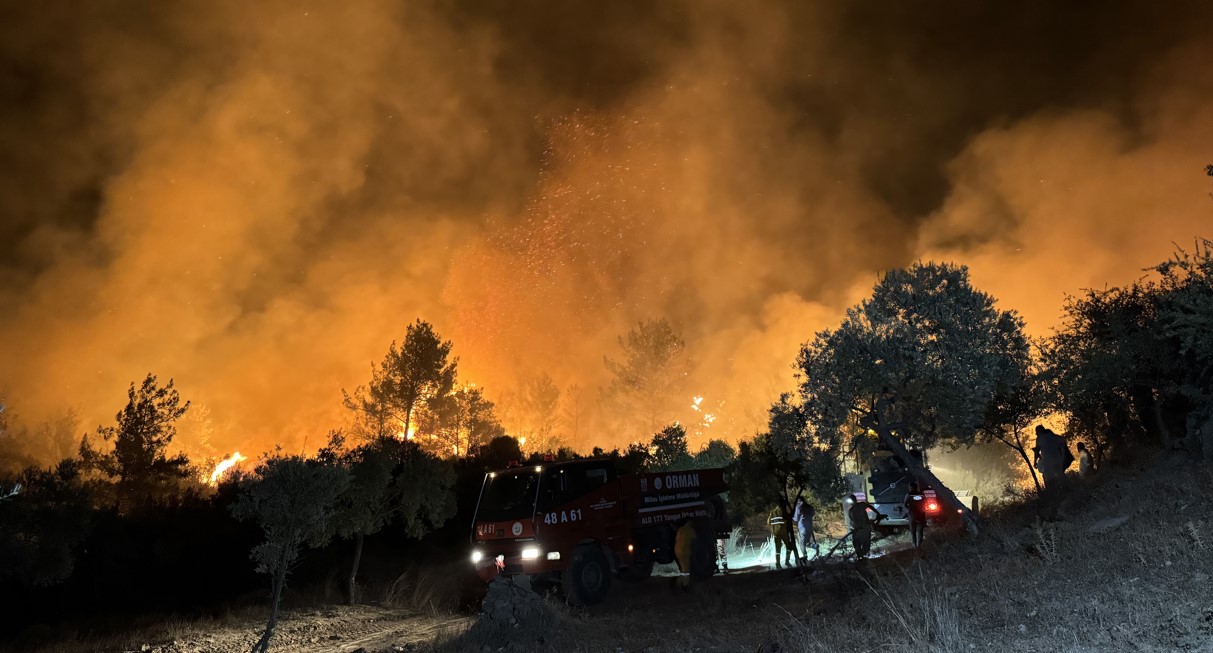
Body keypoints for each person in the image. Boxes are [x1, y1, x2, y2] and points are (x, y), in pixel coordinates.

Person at [1033, 425, 1074, 490]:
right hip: (1058, 460)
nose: (1036, 433)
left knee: (1049, 479)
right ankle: (1068, 488)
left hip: (1048, 462)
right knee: (1060, 475)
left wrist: (1035, 462)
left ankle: (1054, 493)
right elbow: (1063, 440)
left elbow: (1037, 451)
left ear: (1040, 431)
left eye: (1036, 431)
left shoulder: (1039, 438)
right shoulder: (1053, 436)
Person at [846, 494, 882, 560]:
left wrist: (878, 515)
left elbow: (852, 522)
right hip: (863, 529)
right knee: (864, 544)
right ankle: (862, 558)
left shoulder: (852, 510)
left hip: (861, 529)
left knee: (860, 544)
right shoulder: (858, 506)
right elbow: (871, 507)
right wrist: (878, 514)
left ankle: (862, 558)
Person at [903, 481, 929, 548]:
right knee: (920, 530)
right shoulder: (921, 494)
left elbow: (904, 504)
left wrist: (908, 511)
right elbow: (926, 503)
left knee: (913, 530)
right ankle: (920, 544)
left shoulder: (909, 494)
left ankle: (915, 545)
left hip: (913, 514)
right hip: (921, 514)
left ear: (910, 487)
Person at [793, 497, 819, 562]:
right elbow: (813, 514)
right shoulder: (810, 507)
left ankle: (805, 556)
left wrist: (791, 517)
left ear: (799, 501)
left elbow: (796, 518)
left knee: (801, 543)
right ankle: (815, 546)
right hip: (810, 527)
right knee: (806, 542)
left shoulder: (799, 507)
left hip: (802, 527)